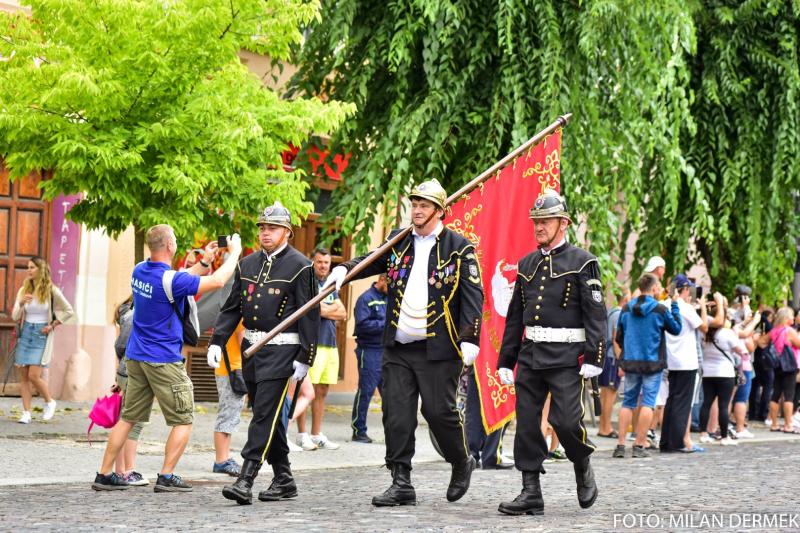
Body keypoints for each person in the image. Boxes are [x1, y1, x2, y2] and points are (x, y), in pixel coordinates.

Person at [325, 178, 483, 506]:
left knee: (438, 413)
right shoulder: (399, 242)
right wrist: (345, 270)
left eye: (424, 206)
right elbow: (370, 260)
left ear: (440, 211)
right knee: (396, 414)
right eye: (414, 205)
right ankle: (401, 481)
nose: (417, 210)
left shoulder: (459, 248)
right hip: (398, 346)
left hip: (439, 348)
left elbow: (473, 296)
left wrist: (470, 336)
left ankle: (460, 460)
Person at [92, 226, 240, 491]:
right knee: (183, 420)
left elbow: (180, 279)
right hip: (163, 359)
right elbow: (217, 282)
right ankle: (167, 475)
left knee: (128, 418)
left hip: (136, 357)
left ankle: (104, 475)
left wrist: (204, 262)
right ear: (171, 245)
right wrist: (235, 252)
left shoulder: (139, 270)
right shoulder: (170, 280)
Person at [495, 190, 607, 516]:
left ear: (564, 223)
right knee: (528, 425)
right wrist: (506, 360)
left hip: (567, 357)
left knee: (566, 422)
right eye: (536, 222)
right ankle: (531, 492)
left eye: (545, 221)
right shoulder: (527, 263)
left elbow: (596, 314)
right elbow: (516, 315)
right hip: (531, 354)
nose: (539, 227)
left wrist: (595, 357)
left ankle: (581, 462)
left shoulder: (583, 262)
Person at [208, 202, 320, 505]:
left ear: (287, 232)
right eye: (262, 228)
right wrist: (217, 341)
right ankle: (284, 478)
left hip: (283, 350)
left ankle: (246, 478)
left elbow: (310, 315)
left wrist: (305, 357)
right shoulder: (247, 264)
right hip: (252, 351)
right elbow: (233, 307)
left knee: (263, 416)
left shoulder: (301, 266)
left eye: (272, 228)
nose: (265, 233)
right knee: (267, 417)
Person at [613, 273, 681, 458]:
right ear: (654, 288)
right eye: (659, 286)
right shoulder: (660, 309)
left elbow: (619, 337)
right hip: (652, 363)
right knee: (648, 403)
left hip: (631, 362)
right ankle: (638, 446)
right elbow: (676, 329)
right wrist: (675, 304)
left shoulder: (626, 308)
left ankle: (620, 446)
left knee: (628, 402)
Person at [12, 256, 74, 424]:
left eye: (32, 267)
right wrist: (21, 303)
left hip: (41, 334)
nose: (29, 270)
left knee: (34, 375)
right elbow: (15, 316)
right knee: (24, 377)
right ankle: (26, 413)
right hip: (26, 333)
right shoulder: (23, 290)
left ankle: (49, 401)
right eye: (28, 267)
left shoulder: (51, 290)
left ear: (40, 269)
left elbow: (69, 310)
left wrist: (52, 325)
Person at [296, 247, 346, 451]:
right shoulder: (308, 283)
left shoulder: (331, 285)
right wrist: (327, 310)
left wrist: (324, 310)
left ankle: (316, 434)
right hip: (312, 342)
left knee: (322, 390)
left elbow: (342, 313)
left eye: (327, 263)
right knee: (305, 391)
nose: (323, 266)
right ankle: (302, 435)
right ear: (313, 263)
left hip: (330, 343)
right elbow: (312, 310)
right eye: (319, 262)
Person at [658, 275, 710, 453]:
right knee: (682, 404)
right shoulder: (685, 307)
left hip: (670, 360)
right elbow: (704, 327)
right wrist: (703, 306)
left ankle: (666, 441)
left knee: (671, 401)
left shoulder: (664, 305)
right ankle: (677, 442)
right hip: (686, 361)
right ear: (685, 289)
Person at [698, 297, 746, 446]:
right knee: (723, 405)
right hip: (725, 373)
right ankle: (724, 437)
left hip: (708, 373)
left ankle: (703, 433)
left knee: (706, 403)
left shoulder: (704, 333)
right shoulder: (726, 333)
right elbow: (741, 350)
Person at [111, 295, 148, 486]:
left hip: (130, 371)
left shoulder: (129, 310)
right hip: (132, 371)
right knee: (132, 422)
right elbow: (121, 345)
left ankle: (121, 471)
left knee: (127, 421)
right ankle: (126, 471)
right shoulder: (134, 312)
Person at [351, 273, 389, 443]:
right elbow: (362, 325)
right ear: (382, 280)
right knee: (366, 392)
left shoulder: (389, 297)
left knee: (389, 394)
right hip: (369, 350)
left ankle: (391, 433)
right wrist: (386, 324)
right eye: (390, 284)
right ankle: (358, 430)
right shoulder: (365, 298)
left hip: (387, 351)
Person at [212, 322, 247, 476]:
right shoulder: (239, 319)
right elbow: (245, 346)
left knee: (230, 416)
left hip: (230, 369)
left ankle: (225, 458)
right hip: (232, 370)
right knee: (227, 415)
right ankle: (221, 461)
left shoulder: (230, 318)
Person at [597, 290, 629, 438]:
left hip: (606, 357)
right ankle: (606, 427)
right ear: (625, 299)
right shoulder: (619, 314)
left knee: (604, 394)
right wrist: (620, 361)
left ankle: (602, 427)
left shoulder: (611, 311)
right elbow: (616, 340)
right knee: (610, 395)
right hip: (612, 358)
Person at [763, 307, 800, 433]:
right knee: (789, 395)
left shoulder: (774, 331)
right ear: (786, 318)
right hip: (789, 365)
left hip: (777, 365)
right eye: (791, 316)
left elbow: (761, 342)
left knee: (776, 394)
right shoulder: (789, 331)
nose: (793, 318)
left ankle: (774, 424)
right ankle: (788, 425)